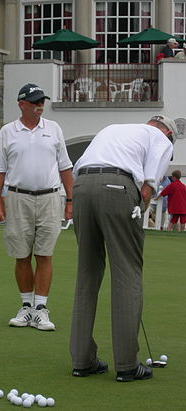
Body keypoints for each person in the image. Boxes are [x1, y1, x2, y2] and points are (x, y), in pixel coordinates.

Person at [70, 115, 177, 382]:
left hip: (81, 187)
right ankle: (128, 364)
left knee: (87, 274)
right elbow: (147, 187)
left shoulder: (114, 128)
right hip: (117, 187)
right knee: (127, 272)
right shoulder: (160, 140)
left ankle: (82, 361)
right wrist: (138, 212)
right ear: (167, 133)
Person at [0, 83, 73, 331]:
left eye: (42, 101)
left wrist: (70, 200)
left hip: (50, 197)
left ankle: (40, 309)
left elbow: (65, 166)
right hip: (17, 198)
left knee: (44, 253)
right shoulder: (7, 131)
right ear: (21, 104)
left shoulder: (54, 129)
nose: (40, 105)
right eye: (35, 101)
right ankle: (26, 306)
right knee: (21, 254)